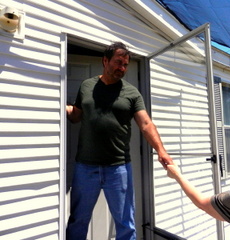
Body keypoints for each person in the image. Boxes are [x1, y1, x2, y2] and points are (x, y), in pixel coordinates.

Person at [66, 41, 173, 240]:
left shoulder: (131, 93)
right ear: (105, 61)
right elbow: (76, 116)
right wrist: (62, 106)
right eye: (118, 62)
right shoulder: (86, 86)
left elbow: (146, 124)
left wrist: (161, 150)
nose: (122, 68)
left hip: (118, 168)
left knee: (125, 224)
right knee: (78, 220)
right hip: (85, 167)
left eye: (125, 64)